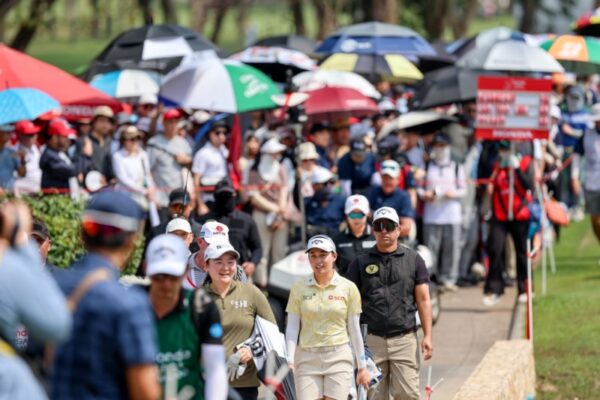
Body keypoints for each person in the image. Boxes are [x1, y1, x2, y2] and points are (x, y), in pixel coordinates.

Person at [51, 190, 161, 400]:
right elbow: (144, 391)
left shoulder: (51, 286)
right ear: (131, 241)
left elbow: (23, 343)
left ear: (83, 234)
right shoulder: (130, 303)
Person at [345, 207, 433, 400]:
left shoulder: (414, 260)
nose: (384, 230)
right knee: (374, 396)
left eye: (389, 226)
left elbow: (424, 299)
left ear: (399, 229)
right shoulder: (359, 263)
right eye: (379, 226)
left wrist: (428, 335)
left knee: (408, 395)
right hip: (371, 341)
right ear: (373, 230)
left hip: (404, 340)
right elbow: (348, 303)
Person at [0, 200, 71, 399]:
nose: (33, 247)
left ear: (49, 244)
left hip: (40, 364)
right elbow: (57, 324)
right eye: (28, 241)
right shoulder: (10, 270)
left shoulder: (61, 280)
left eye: (38, 242)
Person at [285, 235, 370, 400]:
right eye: (313, 255)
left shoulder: (348, 288)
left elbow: (354, 330)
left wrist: (362, 366)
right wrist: (289, 360)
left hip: (338, 357)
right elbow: (292, 327)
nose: (318, 261)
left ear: (334, 256)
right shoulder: (298, 288)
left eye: (323, 255)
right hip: (307, 358)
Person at [146, 234, 228, 400]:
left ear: (185, 270)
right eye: (159, 276)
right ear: (147, 268)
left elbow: (215, 368)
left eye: (173, 276)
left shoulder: (201, 307)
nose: (166, 284)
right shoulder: (130, 308)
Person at [204, 242, 276, 400]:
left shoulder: (251, 292)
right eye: (218, 262)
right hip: (207, 383)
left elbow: (273, 332)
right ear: (206, 266)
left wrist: (251, 350)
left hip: (244, 384)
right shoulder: (198, 298)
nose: (225, 267)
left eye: (230, 262)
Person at [484, 141, 534, 306]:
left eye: (507, 149)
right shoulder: (497, 166)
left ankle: (524, 288)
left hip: (519, 214)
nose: (504, 152)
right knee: (495, 248)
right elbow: (491, 185)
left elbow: (529, 185)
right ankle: (495, 288)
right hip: (500, 214)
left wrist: (517, 169)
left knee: (521, 252)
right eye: (502, 149)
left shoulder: (526, 162)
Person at [419, 133, 467, 292]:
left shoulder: (457, 167)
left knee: (451, 249)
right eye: (437, 146)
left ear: (448, 148)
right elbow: (419, 188)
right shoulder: (426, 166)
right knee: (430, 249)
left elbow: (464, 190)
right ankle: (431, 278)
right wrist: (425, 194)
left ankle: (449, 279)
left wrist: (453, 193)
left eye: (442, 146)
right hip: (432, 215)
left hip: (452, 214)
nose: (439, 149)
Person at [193, 179, 262, 279]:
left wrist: (252, 263)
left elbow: (257, 248)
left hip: (240, 273)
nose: (225, 198)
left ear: (235, 195)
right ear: (215, 196)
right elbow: (196, 247)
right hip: (209, 275)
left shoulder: (246, 220)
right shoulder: (203, 222)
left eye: (228, 195)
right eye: (222, 195)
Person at [246, 138, 289, 288]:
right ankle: (261, 284)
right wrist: (274, 208)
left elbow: (284, 190)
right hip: (261, 213)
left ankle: (278, 285)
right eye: (273, 153)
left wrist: (280, 212)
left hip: (279, 215)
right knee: (262, 250)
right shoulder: (254, 170)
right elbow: (253, 196)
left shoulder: (281, 168)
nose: (276, 156)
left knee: (279, 251)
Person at [147, 108, 193, 208]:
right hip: (161, 198)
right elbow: (148, 170)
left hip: (179, 198)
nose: (173, 125)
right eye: (170, 122)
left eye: (176, 122)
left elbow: (191, 164)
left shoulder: (183, 143)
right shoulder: (154, 143)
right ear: (164, 123)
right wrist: (153, 193)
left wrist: (186, 160)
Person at [184, 221, 248, 290]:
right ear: (200, 242)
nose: (218, 249)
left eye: (223, 245)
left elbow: (245, 295)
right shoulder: (181, 266)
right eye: (213, 245)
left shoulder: (236, 272)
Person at [365, 159, 415, 238]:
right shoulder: (371, 193)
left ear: (398, 179)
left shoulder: (403, 197)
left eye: (391, 178)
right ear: (380, 177)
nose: (387, 181)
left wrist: (385, 232)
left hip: (397, 239)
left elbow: (407, 227)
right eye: (385, 177)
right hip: (372, 238)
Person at [112, 125, 156, 210]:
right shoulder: (118, 156)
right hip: (125, 197)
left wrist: (151, 188)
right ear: (124, 141)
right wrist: (143, 191)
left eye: (138, 138)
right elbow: (123, 178)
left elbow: (147, 174)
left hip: (143, 198)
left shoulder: (143, 155)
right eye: (132, 139)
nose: (135, 142)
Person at [192, 122, 230, 215]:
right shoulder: (203, 153)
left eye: (224, 133)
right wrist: (200, 204)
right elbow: (196, 180)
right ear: (210, 134)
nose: (221, 136)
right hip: (208, 199)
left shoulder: (226, 151)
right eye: (217, 133)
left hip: (225, 198)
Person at [333, 194, 375, 275]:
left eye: (360, 214)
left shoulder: (377, 237)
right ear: (346, 215)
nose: (356, 218)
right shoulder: (337, 240)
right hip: (345, 282)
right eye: (352, 214)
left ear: (367, 214)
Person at [575, 103, 600, 244]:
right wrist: (574, 177)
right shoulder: (586, 135)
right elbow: (577, 156)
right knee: (595, 220)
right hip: (592, 182)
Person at [39, 119, 79, 192]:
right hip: (54, 198)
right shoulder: (49, 156)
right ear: (54, 137)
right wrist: (85, 156)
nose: (67, 139)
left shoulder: (60, 152)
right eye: (64, 136)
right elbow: (72, 171)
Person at [304, 167, 346, 236]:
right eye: (325, 183)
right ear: (314, 186)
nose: (329, 186)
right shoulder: (307, 202)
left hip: (334, 239)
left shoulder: (341, 200)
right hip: (313, 239)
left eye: (332, 182)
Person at [80, 106, 116, 180]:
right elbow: (79, 168)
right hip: (89, 184)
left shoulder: (111, 142)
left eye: (108, 121)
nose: (105, 125)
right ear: (94, 122)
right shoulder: (83, 141)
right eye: (102, 120)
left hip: (108, 185)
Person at [13, 120, 42, 194]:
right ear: (21, 135)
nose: (34, 137)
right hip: (22, 193)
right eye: (30, 135)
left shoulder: (36, 148)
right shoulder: (14, 152)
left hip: (38, 190)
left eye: (34, 134)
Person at [0, 124, 25, 193]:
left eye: (10, 132)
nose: (10, 135)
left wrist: (22, 159)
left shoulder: (12, 152)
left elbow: (22, 173)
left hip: (9, 191)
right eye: (7, 132)